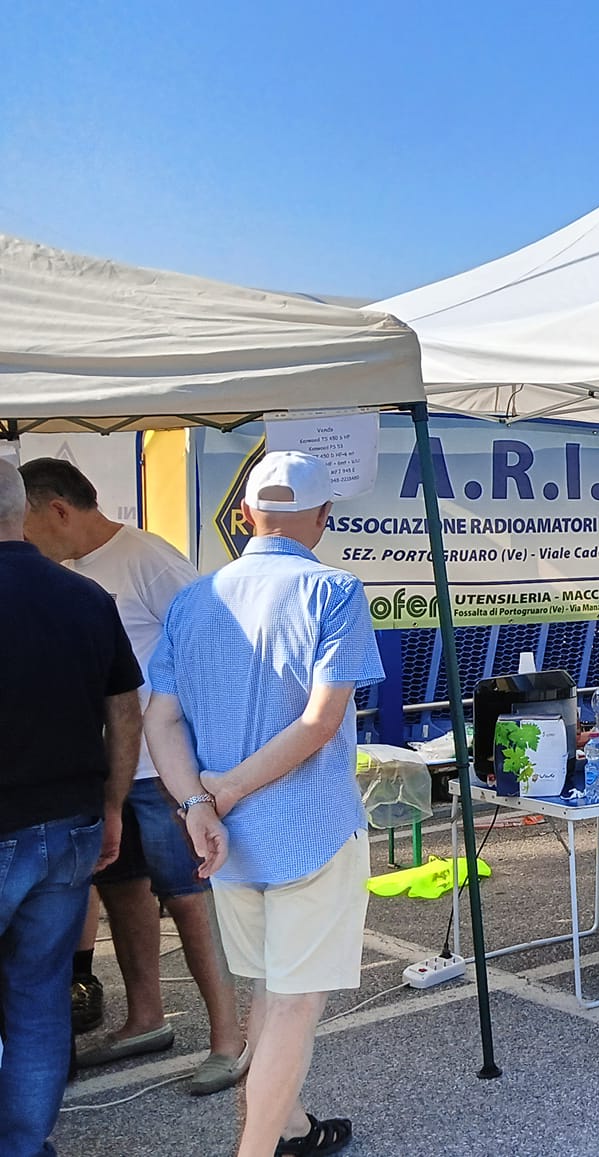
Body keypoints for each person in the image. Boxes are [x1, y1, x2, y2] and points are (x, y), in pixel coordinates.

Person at [145, 451, 383, 1157]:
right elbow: (319, 723)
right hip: (312, 828)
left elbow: (161, 719)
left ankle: (291, 1126)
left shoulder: (193, 598)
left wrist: (199, 802)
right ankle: (258, 1149)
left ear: (245, 514)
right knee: (294, 1003)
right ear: (323, 518)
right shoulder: (335, 590)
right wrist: (230, 787)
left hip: (225, 839)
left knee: (270, 989)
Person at [19, 458, 246, 1095]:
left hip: (163, 770)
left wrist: (201, 762)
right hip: (108, 770)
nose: (24, 538)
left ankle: (230, 1036)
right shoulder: (67, 571)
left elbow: (214, 642)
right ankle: (146, 1017)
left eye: (28, 523)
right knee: (122, 893)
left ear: (57, 509)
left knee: (187, 900)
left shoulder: (147, 557)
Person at [0, 458, 143, 1157]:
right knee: (37, 999)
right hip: (70, 826)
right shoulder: (86, 598)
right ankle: (25, 1147)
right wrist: (114, 804)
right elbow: (125, 714)